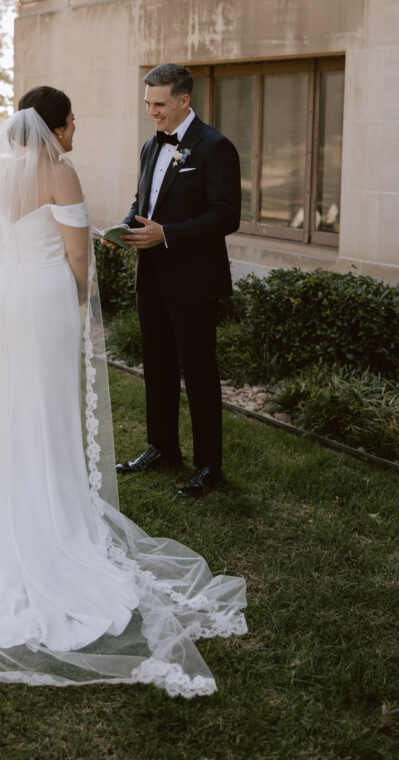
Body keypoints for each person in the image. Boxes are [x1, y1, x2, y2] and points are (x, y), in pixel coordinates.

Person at [0, 85, 246, 697]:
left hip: (12, 297)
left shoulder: (8, 172)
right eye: (73, 120)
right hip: (45, 299)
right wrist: (82, 304)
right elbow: (76, 258)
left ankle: (11, 508)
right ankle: (54, 525)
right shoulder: (61, 173)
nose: (76, 129)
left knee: (16, 404)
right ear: (58, 125)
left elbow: (12, 243)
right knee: (49, 406)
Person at [117, 63, 241, 498]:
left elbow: (227, 215)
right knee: (158, 366)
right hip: (150, 276)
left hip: (193, 281)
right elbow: (144, 200)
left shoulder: (215, 147)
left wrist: (167, 234)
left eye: (160, 104)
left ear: (184, 100)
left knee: (199, 372)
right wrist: (125, 227)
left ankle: (210, 466)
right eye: (148, 103)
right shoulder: (151, 146)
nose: (152, 112)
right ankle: (162, 448)